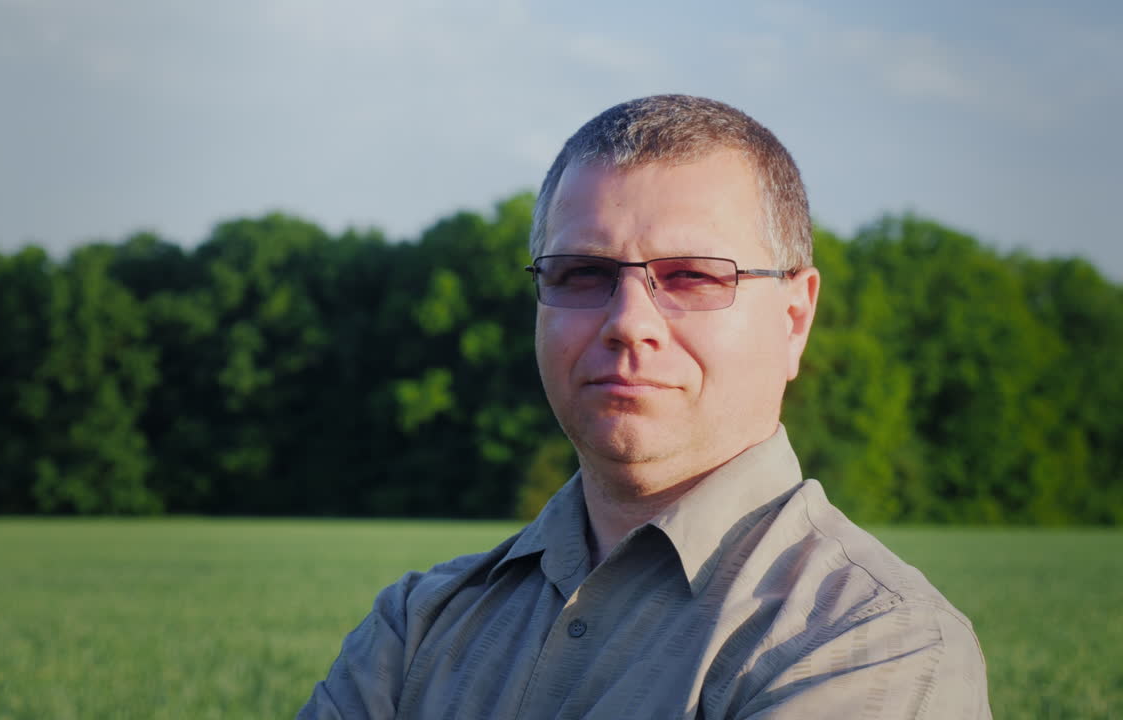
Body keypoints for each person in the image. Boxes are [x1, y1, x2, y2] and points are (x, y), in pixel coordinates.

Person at [298, 95, 991, 719]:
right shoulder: (417, 625)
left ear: (794, 317)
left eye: (691, 276)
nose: (629, 322)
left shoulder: (873, 643)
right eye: (583, 274)